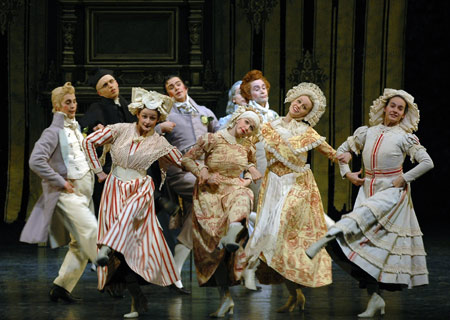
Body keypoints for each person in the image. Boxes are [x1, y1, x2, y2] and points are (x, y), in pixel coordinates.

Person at [306, 89, 434, 318]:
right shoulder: (367, 132)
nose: (395, 110)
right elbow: (342, 152)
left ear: (404, 114)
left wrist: (403, 178)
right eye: (392, 106)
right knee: (366, 249)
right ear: (384, 107)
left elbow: (427, 162)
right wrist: (347, 173)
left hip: (391, 193)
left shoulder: (405, 137)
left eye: (400, 108)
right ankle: (375, 300)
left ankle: (322, 240)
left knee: (357, 221)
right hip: (367, 189)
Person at [83, 88, 182, 318]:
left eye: (153, 118)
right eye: (144, 116)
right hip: (114, 188)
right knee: (123, 252)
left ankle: (106, 246)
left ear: (159, 120)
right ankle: (137, 300)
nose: (147, 121)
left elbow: (182, 160)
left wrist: (202, 167)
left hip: (140, 190)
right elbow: (88, 142)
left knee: (132, 241)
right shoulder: (120, 130)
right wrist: (98, 171)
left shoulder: (159, 142)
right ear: (138, 114)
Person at [245, 82, 337, 313]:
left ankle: (296, 291)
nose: (299, 107)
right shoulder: (269, 126)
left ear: (308, 113)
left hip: (297, 184)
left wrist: (346, 166)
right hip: (273, 185)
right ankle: (294, 294)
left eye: (304, 107)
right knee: (278, 243)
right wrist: (246, 166)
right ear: (291, 100)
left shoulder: (305, 132)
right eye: (298, 102)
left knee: (282, 232)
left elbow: (330, 152)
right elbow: (246, 146)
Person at [20, 82, 98, 303]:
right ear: (57, 106)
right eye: (68, 102)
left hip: (86, 189)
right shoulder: (53, 131)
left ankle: (62, 286)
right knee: (88, 239)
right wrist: (59, 182)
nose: (73, 106)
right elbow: (36, 161)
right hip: (72, 193)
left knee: (82, 243)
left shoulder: (75, 126)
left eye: (74, 101)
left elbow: (80, 158)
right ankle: (111, 280)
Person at [182, 107, 262, 317]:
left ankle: (233, 233)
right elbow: (187, 159)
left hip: (235, 189)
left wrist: (250, 174)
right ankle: (225, 298)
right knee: (213, 251)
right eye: (245, 123)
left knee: (243, 201)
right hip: (210, 194)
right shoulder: (212, 139)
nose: (246, 129)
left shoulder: (248, 146)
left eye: (251, 128)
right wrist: (203, 172)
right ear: (237, 120)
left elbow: (250, 164)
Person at [156, 75, 220, 294]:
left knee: (196, 214)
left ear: (185, 87)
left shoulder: (204, 112)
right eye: (170, 87)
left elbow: (219, 139)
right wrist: (159, 127)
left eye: (178, 84)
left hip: (205, 168)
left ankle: (175, 272)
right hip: (181, 170)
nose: (175, 88)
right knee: (205, 192)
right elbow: (147, 135)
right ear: (168, 94)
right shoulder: (165, 114)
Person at [238, 70, 280, 290]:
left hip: (275, 172)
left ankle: (259, 267)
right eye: (256, 88)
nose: (261, 90)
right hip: (258, 171)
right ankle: (249, 270)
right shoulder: (247, 114)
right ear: (249, 94)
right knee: (257, 221)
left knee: (270, 222)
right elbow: (242, 145)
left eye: (263, 87)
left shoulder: (273, 114)